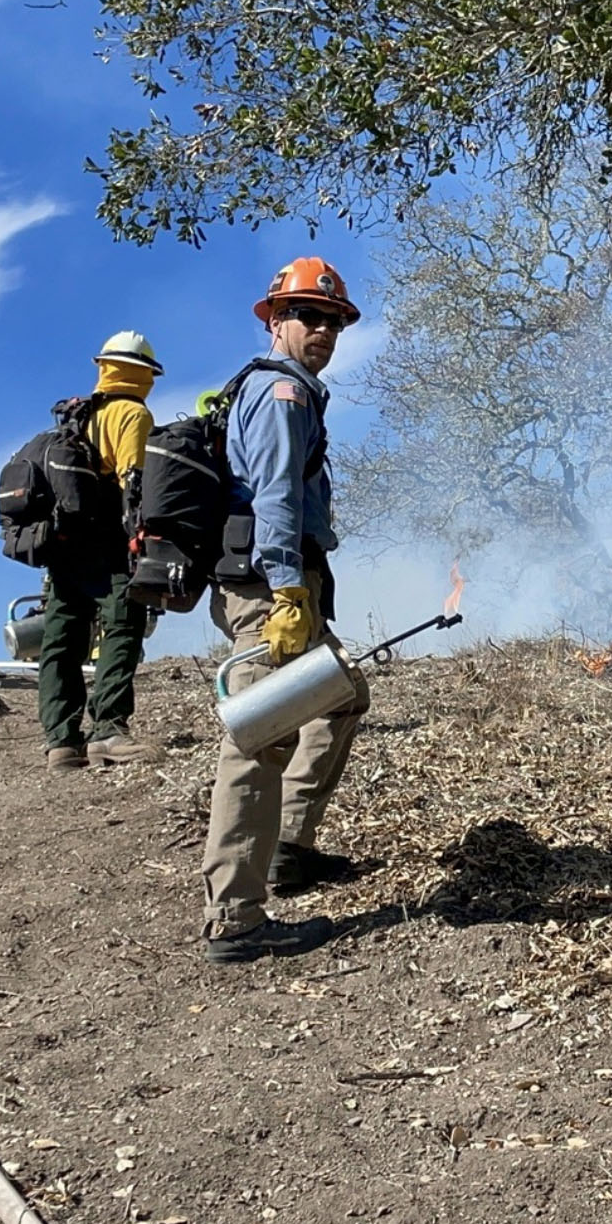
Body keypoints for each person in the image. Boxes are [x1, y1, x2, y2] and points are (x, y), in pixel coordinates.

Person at [199, 258, 372, 963]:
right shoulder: (281, 396)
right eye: (308, 315)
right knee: (259, 738)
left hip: (282, 577)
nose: (323, 330)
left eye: (332, 320)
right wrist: (287, 590)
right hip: (269, 585)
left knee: (341, 696)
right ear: (274, 318)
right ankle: (235, 920)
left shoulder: (289, 390)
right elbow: (272, 491)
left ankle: (288, 847)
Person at [39, 331, 168, 771]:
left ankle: (62, 740)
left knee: (62, 639)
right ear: (145, 373)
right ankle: (108, 731)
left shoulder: (76, 416)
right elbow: (136, 484)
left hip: (65, 543)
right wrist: (146, 544)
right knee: (122, 627)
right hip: (109, 542)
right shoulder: (132, 414)